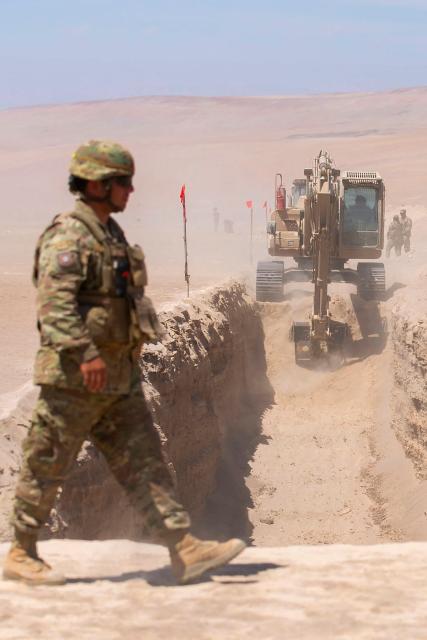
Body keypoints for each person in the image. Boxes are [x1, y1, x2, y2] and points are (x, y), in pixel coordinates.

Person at [3, 140, 245, 586]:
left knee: (147, 463)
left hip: (117, 378)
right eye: (122, 182)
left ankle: (184, 548)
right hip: (75, 378)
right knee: (48, 460)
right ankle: (21, 551)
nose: (130, 191)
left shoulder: (109, 235)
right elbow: (54, 304)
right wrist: (85, 353)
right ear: (96, 184)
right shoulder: (69, 235)